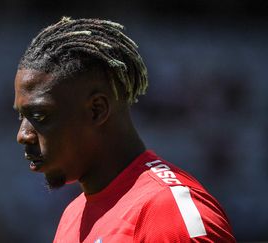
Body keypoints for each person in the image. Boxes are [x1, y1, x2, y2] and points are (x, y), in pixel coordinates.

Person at [14, 17, 235, 242]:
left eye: (39, 115)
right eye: (21, 116)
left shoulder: (168, 213)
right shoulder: (73, 216)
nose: (22, 135)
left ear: (96, 110)